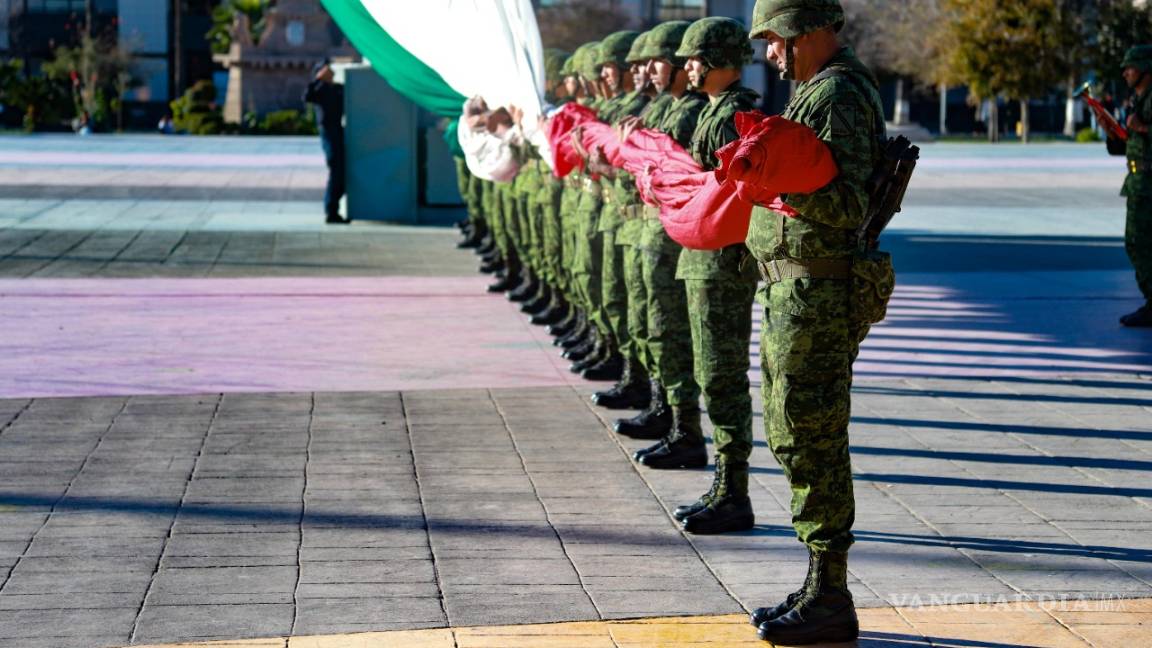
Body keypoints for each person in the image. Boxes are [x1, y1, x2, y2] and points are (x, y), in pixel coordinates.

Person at [744, 0, 887, 643]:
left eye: (776, 39)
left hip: (817, 294)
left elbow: (849, 202)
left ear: (809, 30)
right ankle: (818, 583)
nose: (771, 54)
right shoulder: (815, 92)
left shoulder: (838, 96)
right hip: (796, 291)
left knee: (812, 433)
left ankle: (831, 594)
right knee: (793, 429)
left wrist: (773, 179)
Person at [634, 20, 761, 546]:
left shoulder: (734, 115)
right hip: (702, 256)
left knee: (722, 375)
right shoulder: (714, 110)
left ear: (717, 60)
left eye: (694, 58)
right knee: (710, 372)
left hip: (722, 263)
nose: (686, 67)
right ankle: (724, 485)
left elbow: (732, 188)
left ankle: (734, 492)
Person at [1118, 45, 1152, 327]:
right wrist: (1116, 134)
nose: (1125, 72)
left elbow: (1142, 131)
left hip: (1149, 185)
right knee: (1137, 243)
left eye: (1130, 67)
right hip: (1138, 183)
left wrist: (1141, 128)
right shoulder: (1139, 99)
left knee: (1140, 243)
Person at [303, 61, 349, 225]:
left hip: (338, 130)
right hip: (328, 132)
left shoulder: (337, 88)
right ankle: (331, 211)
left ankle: (335, 208)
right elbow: (307, 96)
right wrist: (318, 79)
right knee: (336, 168)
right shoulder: (320, 88)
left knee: (341, 171)